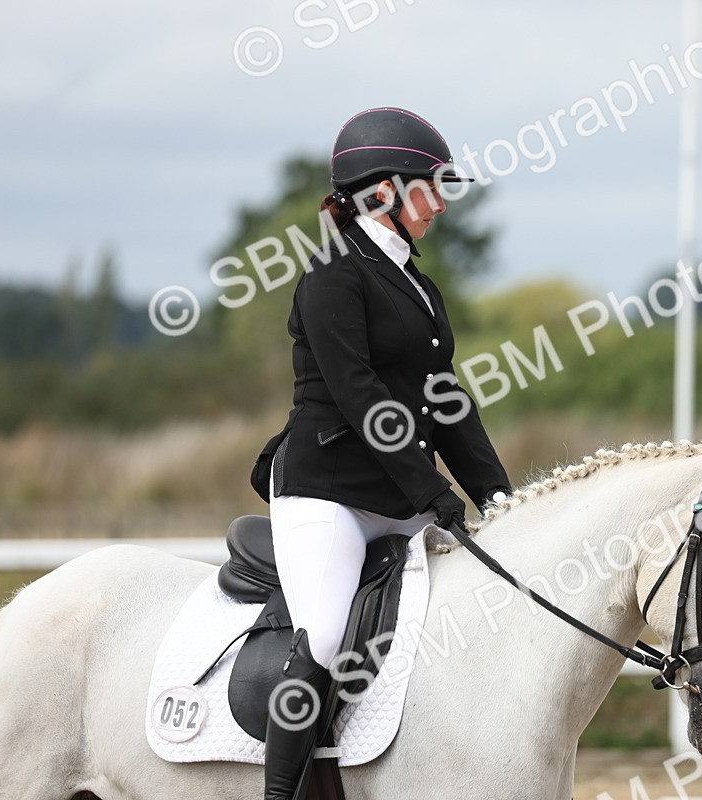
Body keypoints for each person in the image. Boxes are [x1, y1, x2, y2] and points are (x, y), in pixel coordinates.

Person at [249, 107, 512, 799]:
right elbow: (360, 393)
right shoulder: (333, 274)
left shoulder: (418, 286)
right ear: (384, 192)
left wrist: (500, 498)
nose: (444, 201)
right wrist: (432, 490)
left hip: (397, 496)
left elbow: (447, 400)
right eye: (432, 186)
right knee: (327, 638)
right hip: (327, 493)